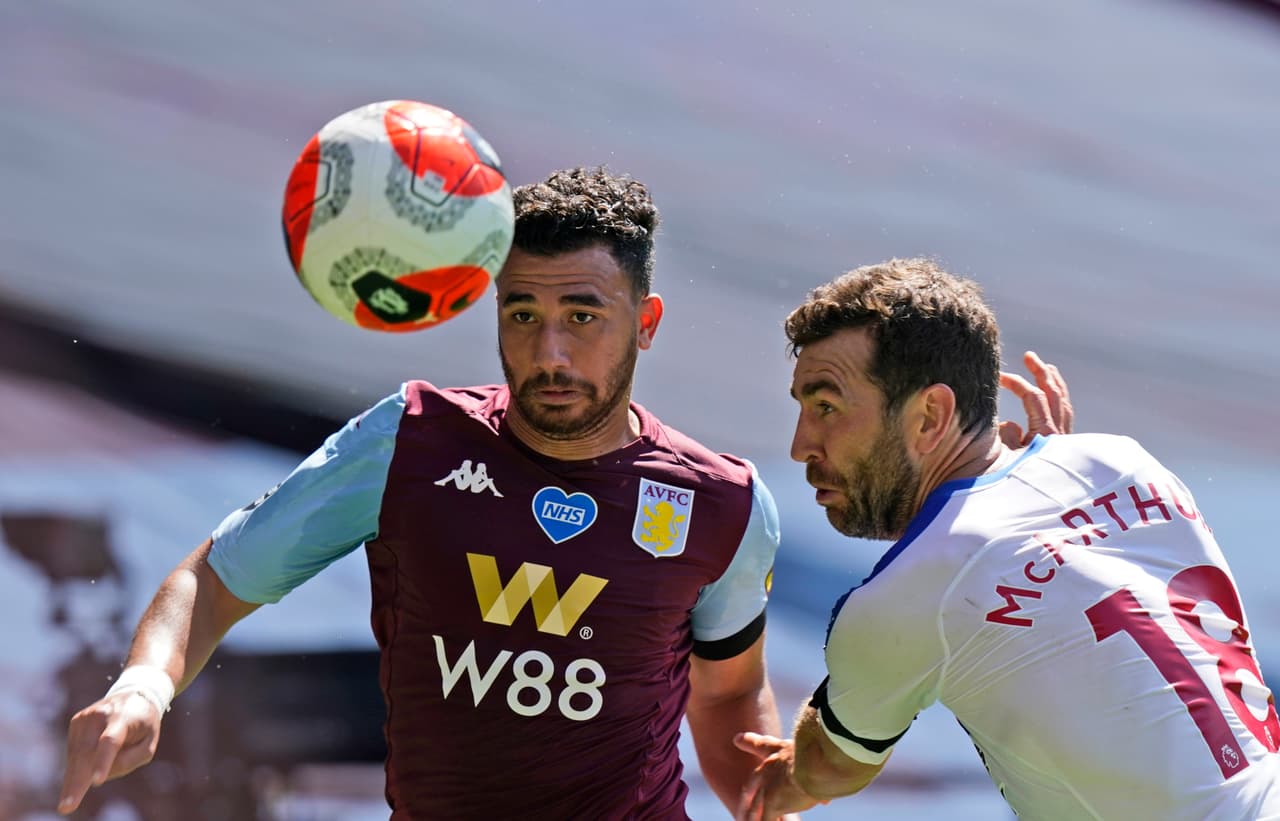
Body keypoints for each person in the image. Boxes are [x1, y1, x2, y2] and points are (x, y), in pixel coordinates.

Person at [59, 167, 793, 820]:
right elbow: (213, 579)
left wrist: (773, 807)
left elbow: (728, 694)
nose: (550, 353)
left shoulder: (721, 504)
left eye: (583, 315)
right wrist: (144, 687)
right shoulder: (408, 442)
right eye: (522, 313)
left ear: (645, 322)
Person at [733, 258, 1280, 821]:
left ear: (930, 416)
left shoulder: (911, 593)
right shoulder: (1123, 461)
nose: (801, 445)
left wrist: (789, 777)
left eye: (827, 407)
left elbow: (831, 768)